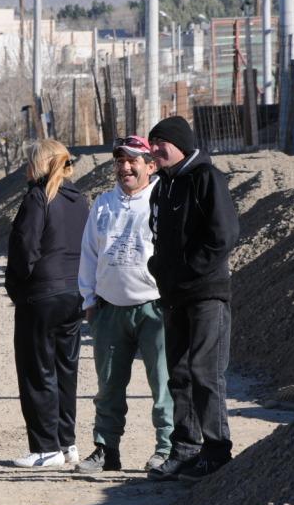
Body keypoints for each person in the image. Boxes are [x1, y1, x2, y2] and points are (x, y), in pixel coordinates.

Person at [145, 116, 240, 482]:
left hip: (205, 294)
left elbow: (224, 235)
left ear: (180, 143)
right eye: (151, 143)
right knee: (179, 375)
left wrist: (188, 270)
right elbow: (158, 238)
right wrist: (161, 270)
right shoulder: (163, 186)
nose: (154, 150)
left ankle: (216, 451)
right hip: (174, 296)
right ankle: (185, 450)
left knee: (205, 372)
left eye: (160, 143)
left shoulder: (207, 179)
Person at [76, 135, 173, 474]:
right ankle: (106, 450)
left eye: (133, 160)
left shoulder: (161, 201)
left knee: (163, 385)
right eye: (120, 161)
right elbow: (88, 255)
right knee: (108, 387)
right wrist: (89, 300)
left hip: (154, 308)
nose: (125, 167)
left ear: (151, 165)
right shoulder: (103, 204)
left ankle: (167, 450)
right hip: (109, 310)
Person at [4, 139, 89, 468]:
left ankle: (45, 447)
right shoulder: (79, 199)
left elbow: (25, 248)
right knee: (66, 370)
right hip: (74, 294)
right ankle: (67, 443)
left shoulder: (38, 197)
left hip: (40, 295)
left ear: (38, 164)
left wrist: (16, 285)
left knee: (37, 371)